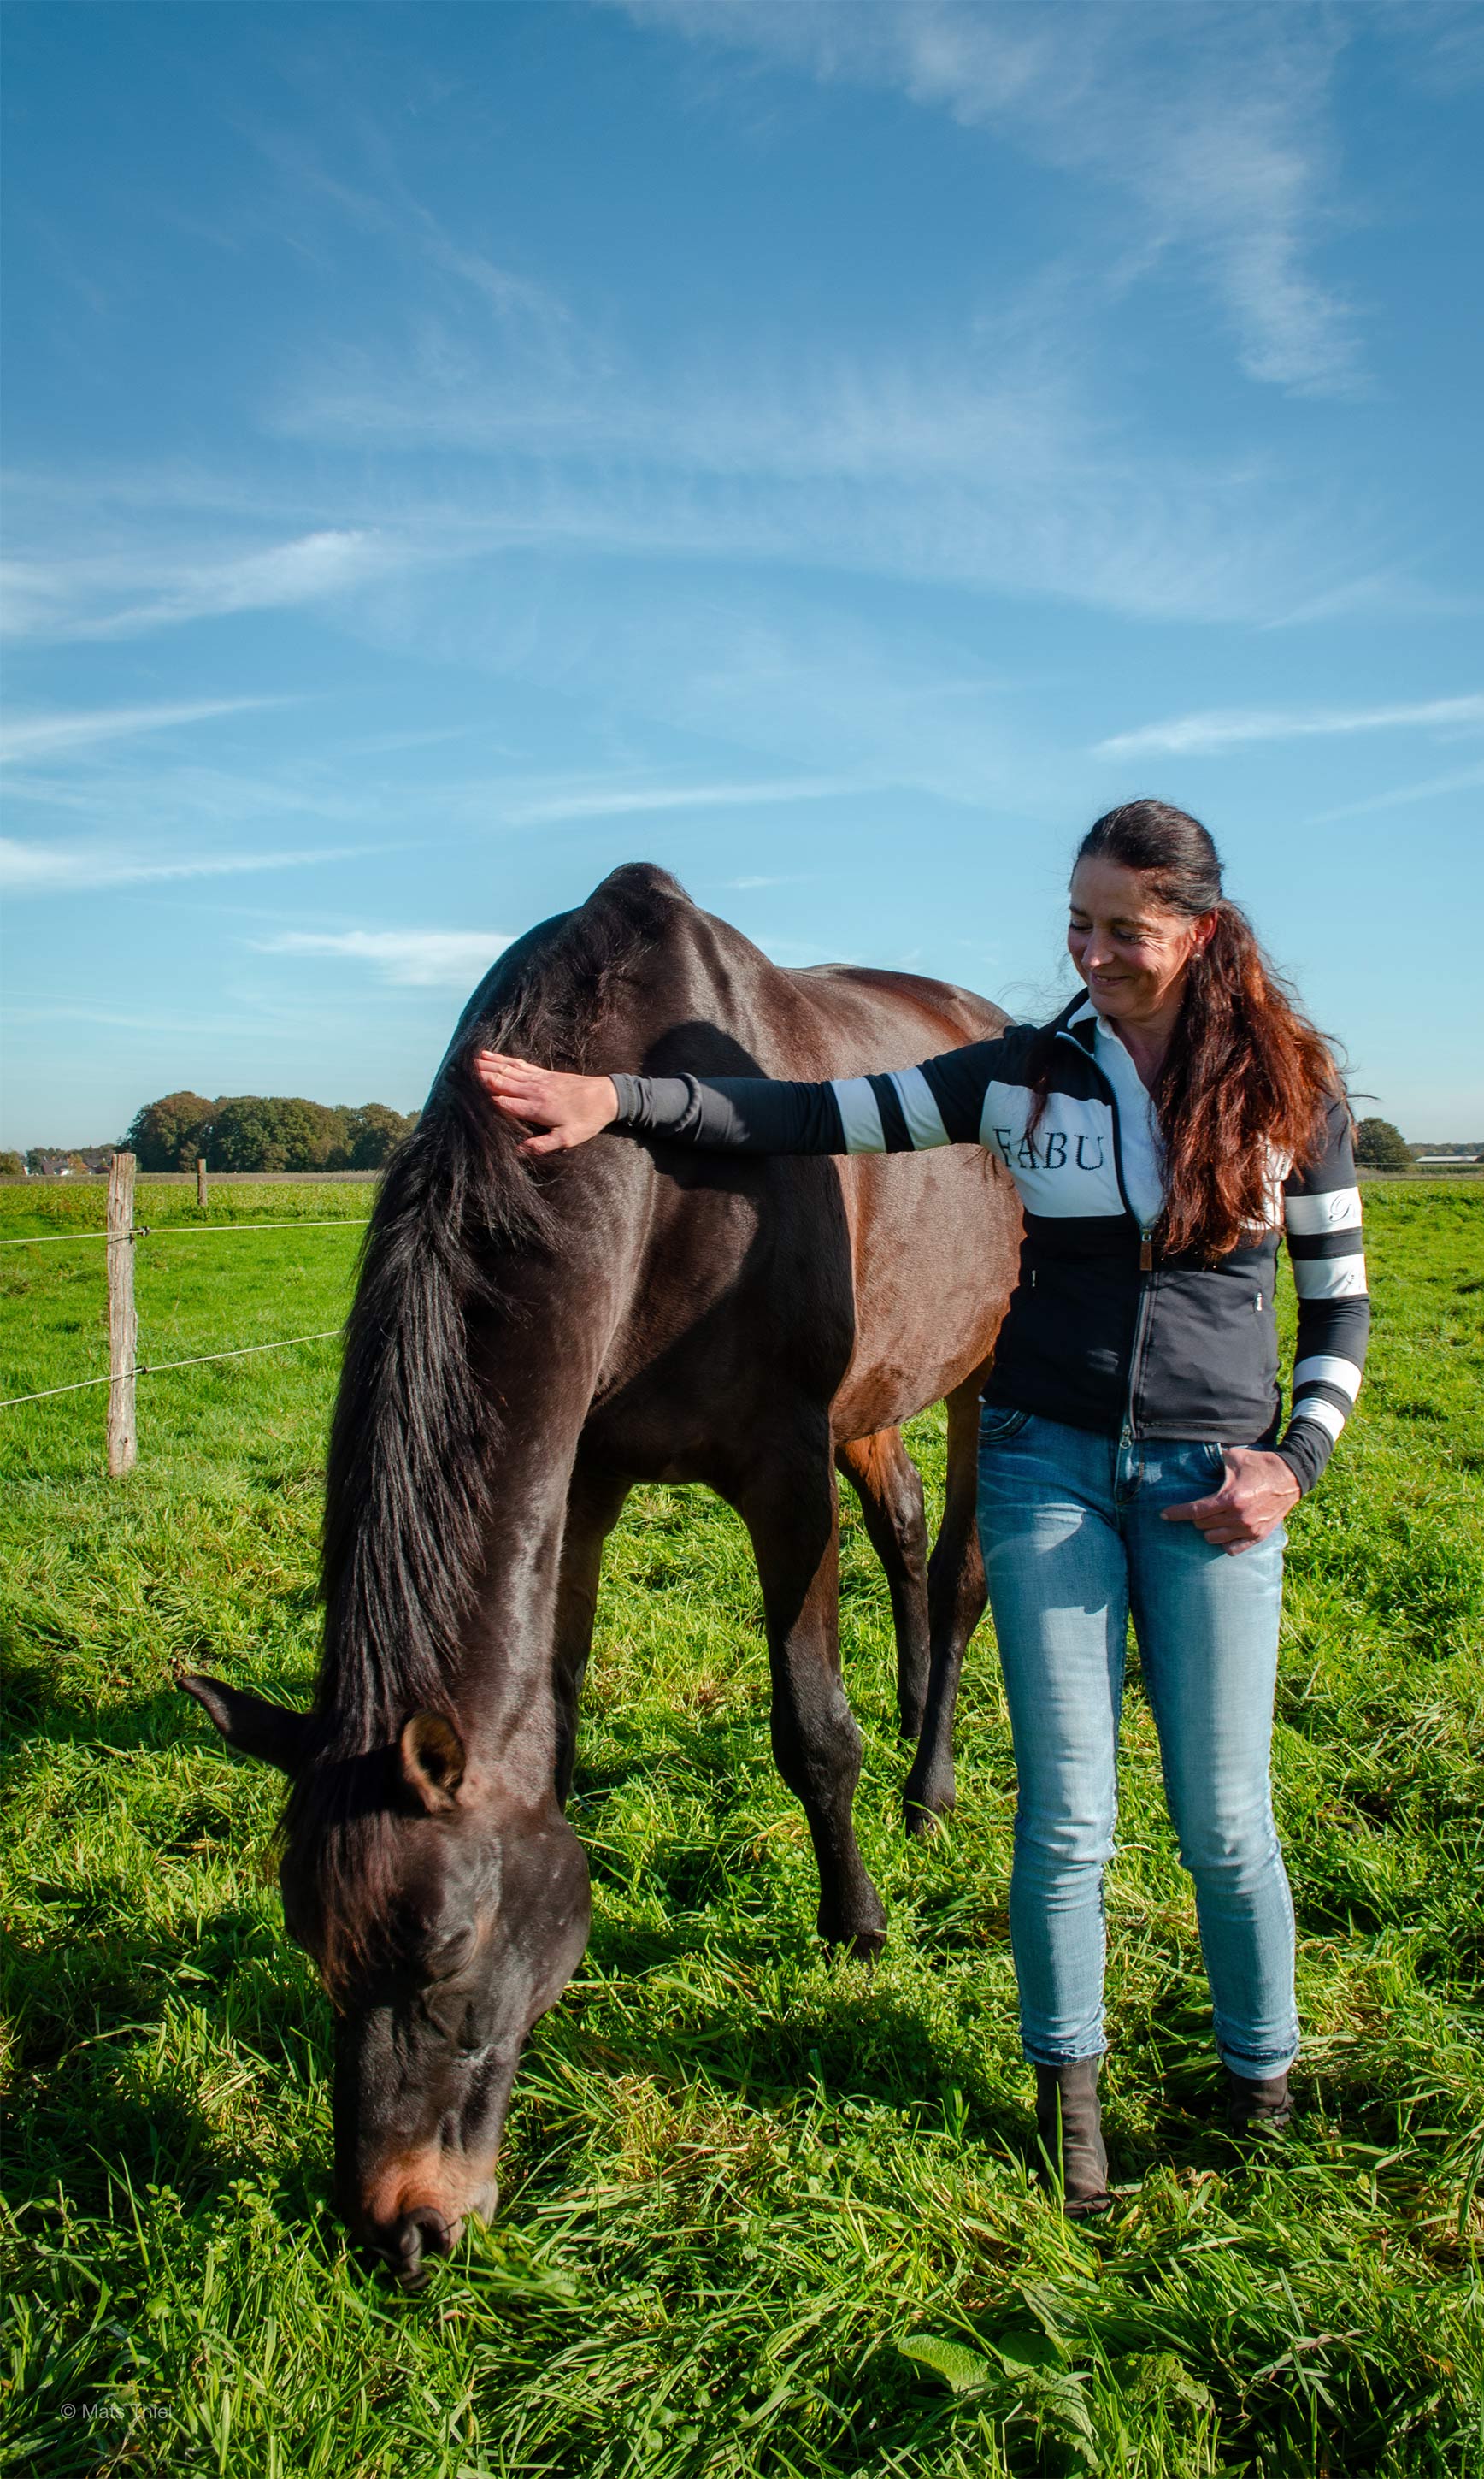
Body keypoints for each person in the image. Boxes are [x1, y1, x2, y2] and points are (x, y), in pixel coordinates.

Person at [474, 800, 1369, 2216]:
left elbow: (1341, 1311)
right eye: (1074, 924)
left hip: (1213, 1491)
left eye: (1120, 930)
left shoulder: (1294, 1096)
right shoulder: (1024, 1079)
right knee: (1067, 1821)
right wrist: (619, 1100)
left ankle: (1262, 2078)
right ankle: (1070, 2104)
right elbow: (801, 1114)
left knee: (1225, 1819)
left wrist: (1294, 1461)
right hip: (1046, 1474)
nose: (1089, 953)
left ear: (1197, 930)